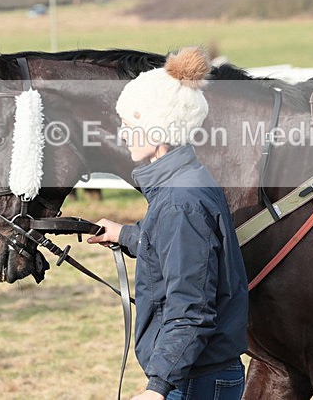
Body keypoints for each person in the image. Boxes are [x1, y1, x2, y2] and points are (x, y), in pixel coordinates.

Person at [87, 47, 248, 400]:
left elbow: (191, 307)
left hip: (193, 380)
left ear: (157, 132)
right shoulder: (187, 181)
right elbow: (186, 251)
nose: (124, 135)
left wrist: (157, 386)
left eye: (130, 126)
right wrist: (125, 235)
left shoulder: (179, 202)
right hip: (198, 373)